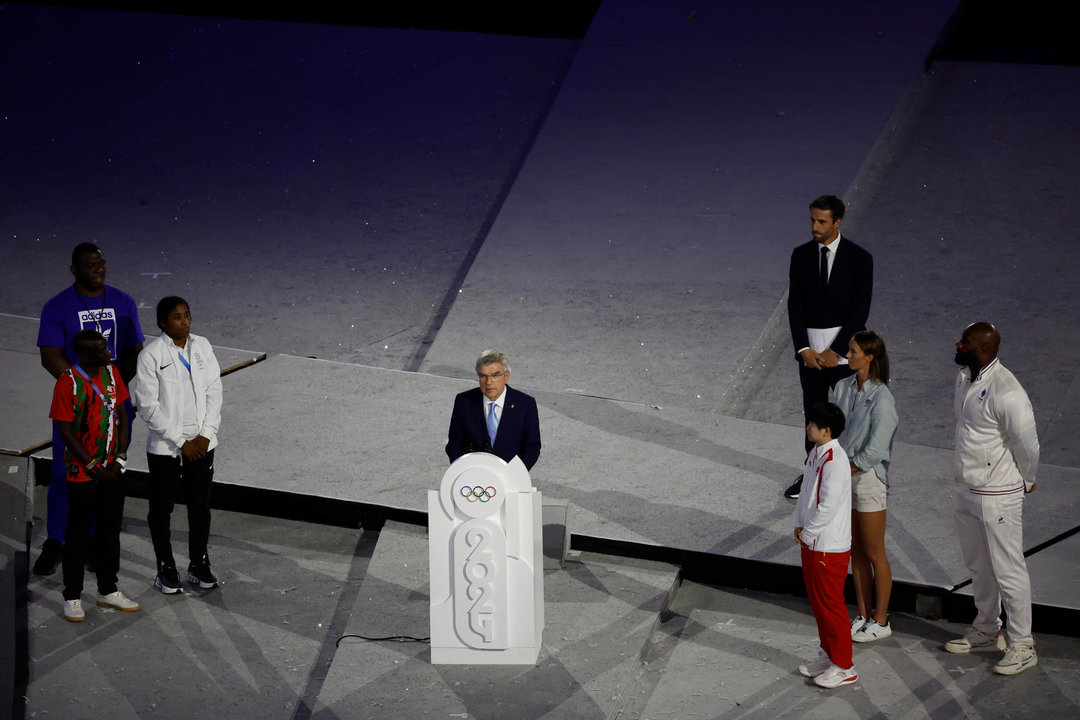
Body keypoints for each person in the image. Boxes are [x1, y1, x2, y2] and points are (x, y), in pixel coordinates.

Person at [35, 243, 145, 575]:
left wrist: (112, 391)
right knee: (63, 473)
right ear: (74, 270)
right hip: (76, 406)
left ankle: (94, 543)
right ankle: (57, 540)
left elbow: (133, 349)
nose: (97, 269)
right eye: (89, 265)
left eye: (101, 263)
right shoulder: (57, 306)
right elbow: (50, 355)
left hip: (113, 403)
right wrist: (82, 390)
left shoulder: (123, 302)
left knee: (106, 472)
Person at [946, 322, 1039, 675]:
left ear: (982, 349)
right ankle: (987, 628)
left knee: (1008, 568)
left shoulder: (1008, 391)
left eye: (964, 341)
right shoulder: (964, 377)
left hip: (998, 494)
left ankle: (1023, 644)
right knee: (978, 565)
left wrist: (1027, 478)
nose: (957, 343)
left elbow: (1027, 444)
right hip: (966, 488)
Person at [784, 195, 873, 499]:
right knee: (813, 413)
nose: (814, 227)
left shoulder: (860, 258)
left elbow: (859, 312)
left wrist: (835, 350)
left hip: (845, 354)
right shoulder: (800, 255)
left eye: (821, 221)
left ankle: (848, 475)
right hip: (810, 353)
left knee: (849, 412)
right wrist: (803, 350)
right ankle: (812, 474)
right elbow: (795, 307)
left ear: (837, 222)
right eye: (812, 220)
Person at [49, 330, 140, 621]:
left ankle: (107, 591)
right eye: (102, 350)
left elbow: (124, 416)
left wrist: (121, 457)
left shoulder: (113, 374)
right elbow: (65, 432)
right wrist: (92, 466)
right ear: (85, 355)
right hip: (82, 475)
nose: (108, 353)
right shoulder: (68, 383)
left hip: (112, 470)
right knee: (76, 537)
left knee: (110, 532)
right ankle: (72, 597)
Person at [134, 297, 223, 592]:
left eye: (187, 315)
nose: (185, 321)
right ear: (162, 323)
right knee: (162, 507)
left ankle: (199, 563)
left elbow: (214, 391)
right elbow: (147, 406)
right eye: (177, 317)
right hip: (167, 447)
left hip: (202, 443)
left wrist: (206, 434)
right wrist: (181, 441)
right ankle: (166, 567)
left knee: (200, 506)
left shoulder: (203, 346)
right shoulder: (151, 355)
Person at [832, 331, 897, 642]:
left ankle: (881, 621)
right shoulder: (842, 387)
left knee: (873, 551)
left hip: (868, 478)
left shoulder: (883, 398)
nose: (849, 354)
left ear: (870, 357)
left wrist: (848, 466)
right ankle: (862, 614)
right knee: (855, 550)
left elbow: (877, 448)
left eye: (854, 350)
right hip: (845, 475)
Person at [793, 402, 856, 688]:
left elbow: (828, 504)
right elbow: (806, 493)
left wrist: (809, 532)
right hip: (812, 541)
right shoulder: (816, 455)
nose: (808, 428)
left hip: (828, 546)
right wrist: (799, 523)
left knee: (831, 605)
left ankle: (845, 665)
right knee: (819, 605)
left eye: (812, 424)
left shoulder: (836, 460)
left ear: (826, 430)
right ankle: (828, 654)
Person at [446, 350, 541, 471]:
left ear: (506, 376)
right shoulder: (464, 401)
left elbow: (532, 447)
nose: (489, 382)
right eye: (483, 376)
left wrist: (514, 472)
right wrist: (463, 468)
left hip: (511, 478)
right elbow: (454, 442)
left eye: (495, 375)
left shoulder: (525, 404)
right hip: (472, 476)